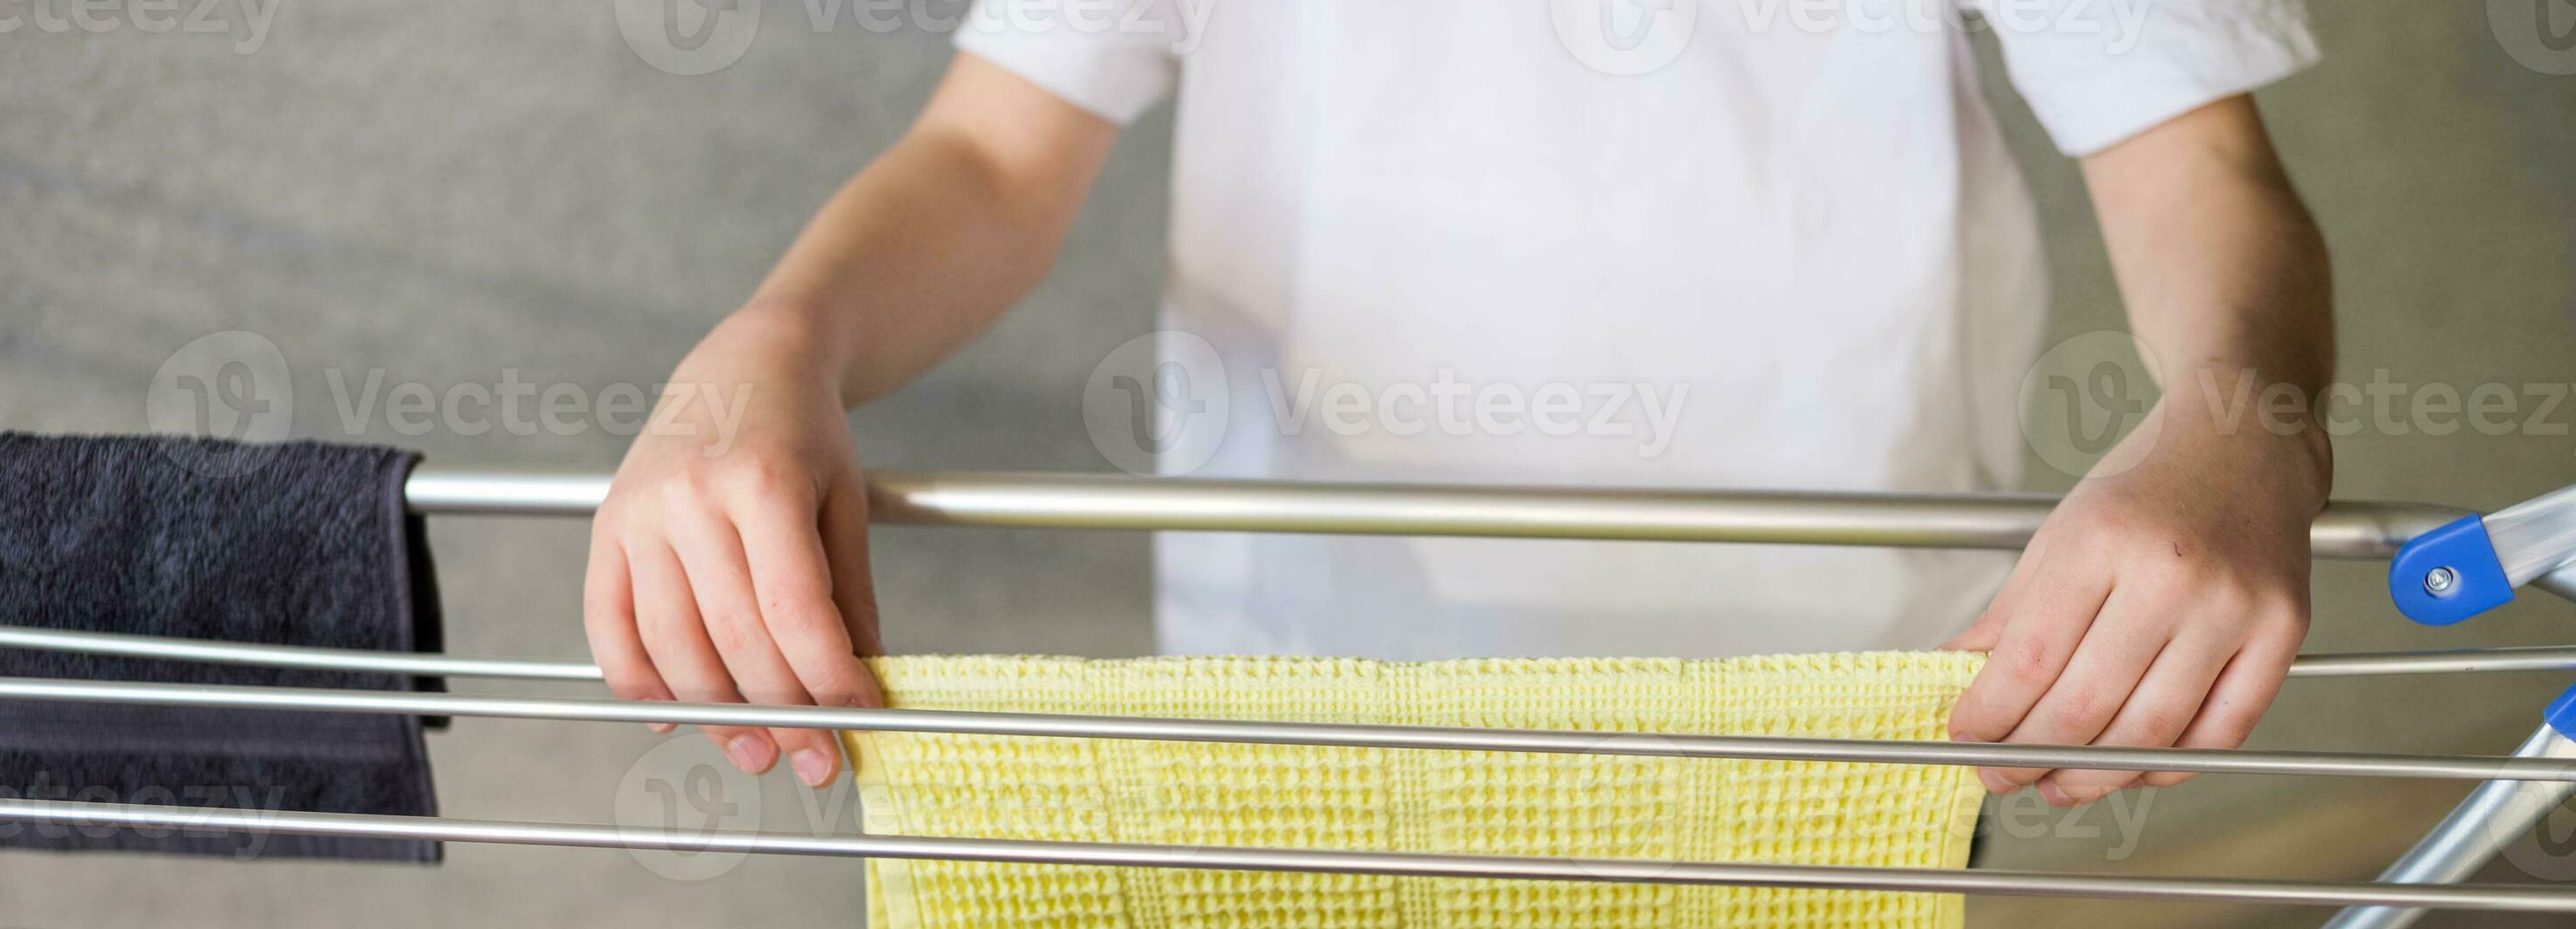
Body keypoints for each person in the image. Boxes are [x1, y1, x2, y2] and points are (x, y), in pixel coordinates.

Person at [584, 1, 2334, 811]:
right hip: (1298, 730)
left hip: (1827, 745)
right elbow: (991, 150)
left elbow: (2195, 164)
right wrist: (771, 344)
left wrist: (2240, 424)